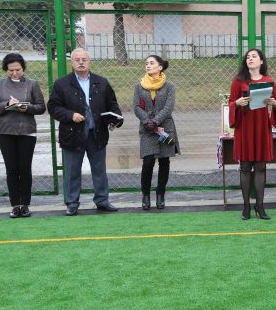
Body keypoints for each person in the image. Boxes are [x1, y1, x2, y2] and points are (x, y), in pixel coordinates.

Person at [47, 48, 123, 216]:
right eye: (77, 60)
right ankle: (72, 203)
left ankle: (102, 200)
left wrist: (115, 118)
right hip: (72, 135)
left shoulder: (101, 82)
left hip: (97, 134)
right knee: (72, 171)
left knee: (99, 170)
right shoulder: (62, 84)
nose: (81, 62)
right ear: (72, 62)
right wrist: (70, 115)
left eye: (84, 59)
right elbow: (53, 107)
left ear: (90, 62)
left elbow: (112, 104)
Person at [0, 53, 46, 218]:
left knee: (25, 168)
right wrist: (7, 104)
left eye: (18, 70)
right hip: (5, 131)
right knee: (11, 169)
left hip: (27, 131)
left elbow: (41, 107)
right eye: (11, 70)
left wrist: (27, 108)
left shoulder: (32, 84)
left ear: (23, 68)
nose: (14, 73)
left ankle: (25, 204)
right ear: (6, 70)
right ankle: (15, 205)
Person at [228, 48, 276, 220]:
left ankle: (260, 206)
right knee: (245, 167)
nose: (250, 59)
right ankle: (246, 206)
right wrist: (237, 103)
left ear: (261, 61)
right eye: (248, 57)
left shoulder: (269, 81)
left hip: (261, 128)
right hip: (244, 128)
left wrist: (274, 104)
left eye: (254, 56)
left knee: (260, 167)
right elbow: (231, 103)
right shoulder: (238, 81)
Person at [133, 55, 179, 211]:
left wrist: (156, 121)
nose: (148, 65)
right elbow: (136, 107)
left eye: (151, 63)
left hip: (165, 128)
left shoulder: (169, 86)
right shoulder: (139, 86)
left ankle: (160, 194)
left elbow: (168, 107)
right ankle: (145, 195)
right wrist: (147, 121)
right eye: (146, 63)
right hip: (147, 129)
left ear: (160, 67)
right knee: (148, 162)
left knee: (164, 161)